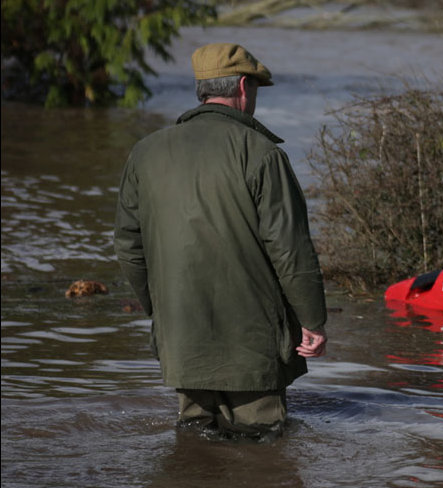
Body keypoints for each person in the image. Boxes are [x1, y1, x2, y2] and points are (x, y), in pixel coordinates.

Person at [114, 42, 328, 441]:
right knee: (263, 451)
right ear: (244, 88)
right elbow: (291, 250)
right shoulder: (262, 155)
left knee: (193, 445)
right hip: (253, 343)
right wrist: (313, 321)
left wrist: (160, 309)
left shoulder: (145, 153)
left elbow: (128, 245)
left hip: (182, 337)